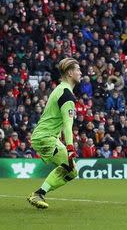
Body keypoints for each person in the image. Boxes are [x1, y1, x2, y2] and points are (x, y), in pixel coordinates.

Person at [27, 58, 82, 209]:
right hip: (46, 137)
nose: (80, 72)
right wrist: (70, 147)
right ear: (70, 73)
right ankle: (38, 194)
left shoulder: (59, 89)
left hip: (43, 136)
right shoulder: (66, 95)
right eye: (78, 70)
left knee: (70, 170)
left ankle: (39, 193)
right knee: (72, 170)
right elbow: (67, 124)